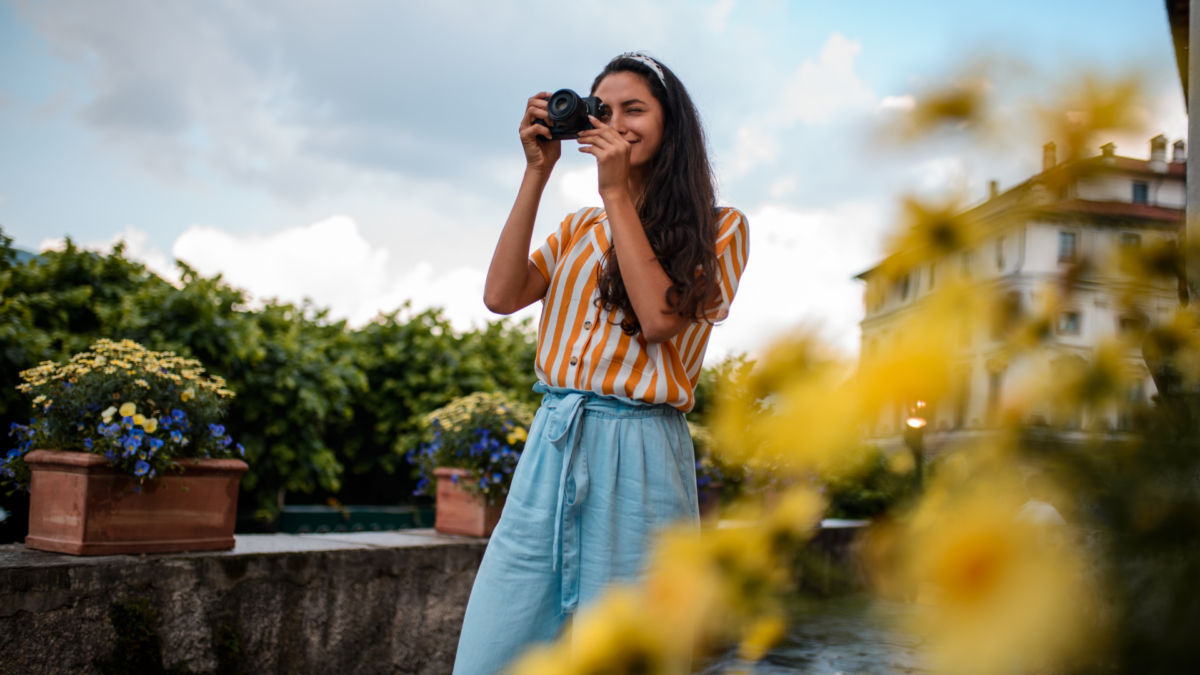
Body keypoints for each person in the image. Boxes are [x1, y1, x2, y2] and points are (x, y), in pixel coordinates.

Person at [452, 52, 750, 674]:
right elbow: (501, 296)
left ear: (670, 125)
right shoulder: (577, 227)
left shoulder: (721, 227)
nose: (615, 124)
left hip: (641, 454)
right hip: (552, 444)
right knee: (495, 647)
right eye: (602, 111)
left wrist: (615, 191)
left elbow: (659, 320)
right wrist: (536, 172)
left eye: (633, 110)